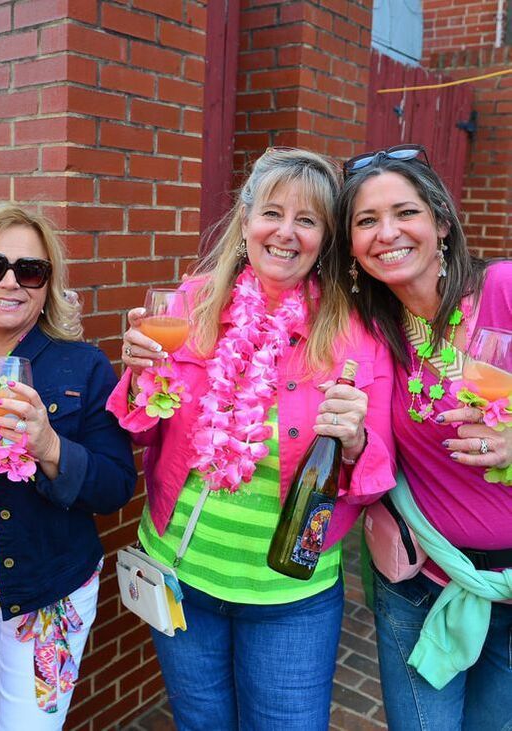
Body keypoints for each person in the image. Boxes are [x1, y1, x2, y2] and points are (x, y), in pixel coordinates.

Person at [106, 148, 396, 730]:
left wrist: (359, 442)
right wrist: (139, 372)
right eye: (272, 212)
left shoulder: (356, 337)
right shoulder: (187, 305)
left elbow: (375, 476)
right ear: (245, 221)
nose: (285, 233)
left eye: (307, 220)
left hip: (292, 592)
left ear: (325, 239)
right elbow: (139, 424)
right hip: (182, 569)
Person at [0, 203, 137, 730]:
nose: (9, 282)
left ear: (47, 284)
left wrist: (50, 446)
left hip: (48, 597)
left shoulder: (83, 365)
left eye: (30, 270)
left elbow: (115, 486)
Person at [335, 144, 512, 731]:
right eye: (366, 221)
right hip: (421, 583)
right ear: (354, 248)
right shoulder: (370, 333)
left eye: (405, 212)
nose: (387, 233)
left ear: (440, 222)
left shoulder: (503, 291)